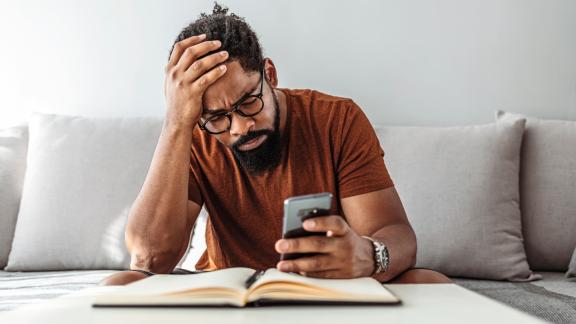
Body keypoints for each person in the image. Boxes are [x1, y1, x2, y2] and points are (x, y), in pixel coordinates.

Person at [101, 4, 450, 286]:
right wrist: (177, 122)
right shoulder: (193, 135)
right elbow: (150, 259)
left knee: (429, 283)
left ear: (270, 74)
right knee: (122, 283)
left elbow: (398, 237)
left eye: (249, 102)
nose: (241, 127)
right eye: (218, 117)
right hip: (227, 291)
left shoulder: (337, 118)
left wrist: (371, 255)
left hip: (330, 288)